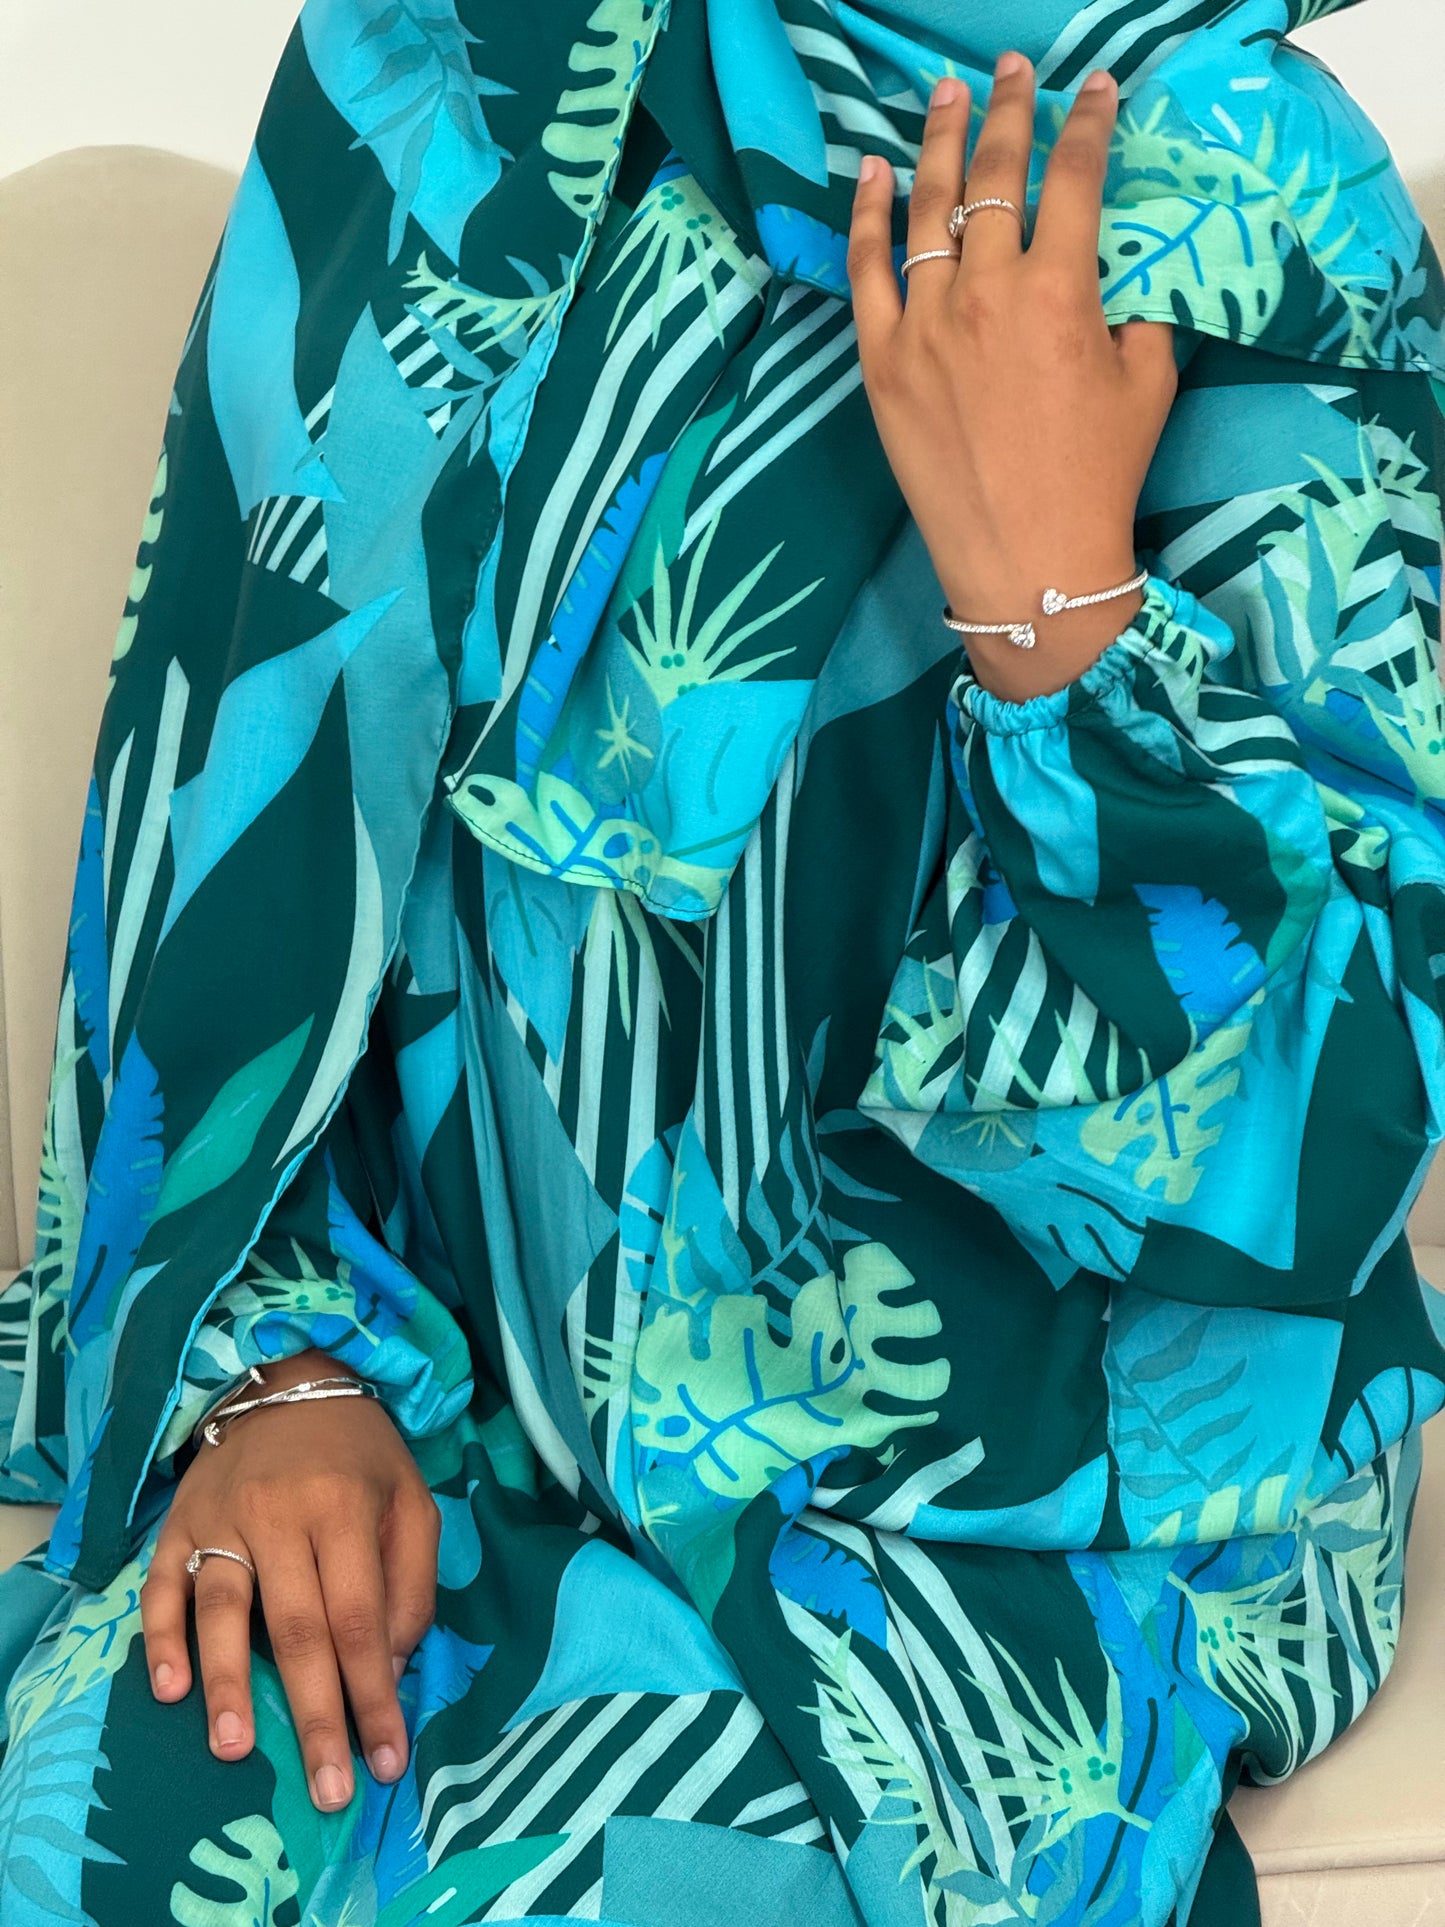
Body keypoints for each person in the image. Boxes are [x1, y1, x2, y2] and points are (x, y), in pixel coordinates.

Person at [1, 0, 1442, 1921]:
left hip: (1013, 1506)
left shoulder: (1248, 201)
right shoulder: (435, 72)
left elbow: (1307, 1144)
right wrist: (278, 1371)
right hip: (439, 1382)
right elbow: (224, 797)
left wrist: (1047, 604)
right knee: (85, 1842)